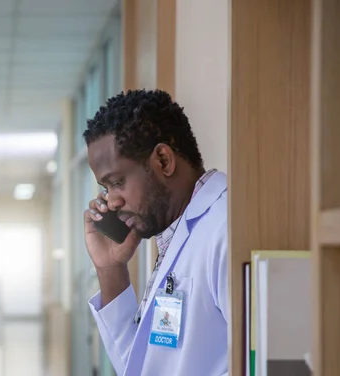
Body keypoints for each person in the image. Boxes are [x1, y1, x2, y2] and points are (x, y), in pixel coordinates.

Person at [83, 89, 228, 376]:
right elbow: (141, 366)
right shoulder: (176, 235)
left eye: (118, 182)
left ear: (163, 160)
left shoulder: (225, 229)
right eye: (105, 188)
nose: (111, 202)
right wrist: (111, 268)